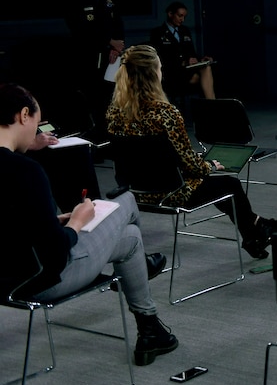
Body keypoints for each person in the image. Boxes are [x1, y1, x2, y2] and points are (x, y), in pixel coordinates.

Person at [0, 83, 178, 367]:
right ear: (23, 115)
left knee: (130, 239)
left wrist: (52, 222)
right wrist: (77, 223)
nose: (36, 131)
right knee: (127, 204)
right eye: (36, 122)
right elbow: (57, 253)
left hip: (3, 279)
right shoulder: (25, 172)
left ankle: (151, 329)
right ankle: (144, 278)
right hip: (41, 280)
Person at [105, 45, 277, 260]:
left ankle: (258, 229)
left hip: (133, 191)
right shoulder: (166, 113)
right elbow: (190, 164)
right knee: (229, 184)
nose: (161, 72)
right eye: (160, 68)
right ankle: (256, 232)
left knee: (217, 185)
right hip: (171, 191)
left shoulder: (114, 112)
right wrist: (210, 165)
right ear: (152, 73)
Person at [64, 0, 125, 133]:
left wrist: (116, 46)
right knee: (97, 97)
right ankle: (100, 136)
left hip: (112, 55)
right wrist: (108, 41)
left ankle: (114, 134)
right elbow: (82, 28)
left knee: (114, 95)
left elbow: (118, 22)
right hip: (89, 56)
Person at [149, 1, 216, 100]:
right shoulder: (157, 32)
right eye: (180, 16)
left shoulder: (185, 31)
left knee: (207, 68)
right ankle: (213, 106)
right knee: (205, 77)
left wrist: (201, 59)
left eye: (184, 16)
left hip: (187, 70)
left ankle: (211, 106)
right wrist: (183, 62)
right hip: (172, 72)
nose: (182, 19)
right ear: (170, 14)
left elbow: (191, 53)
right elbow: (160, 58)